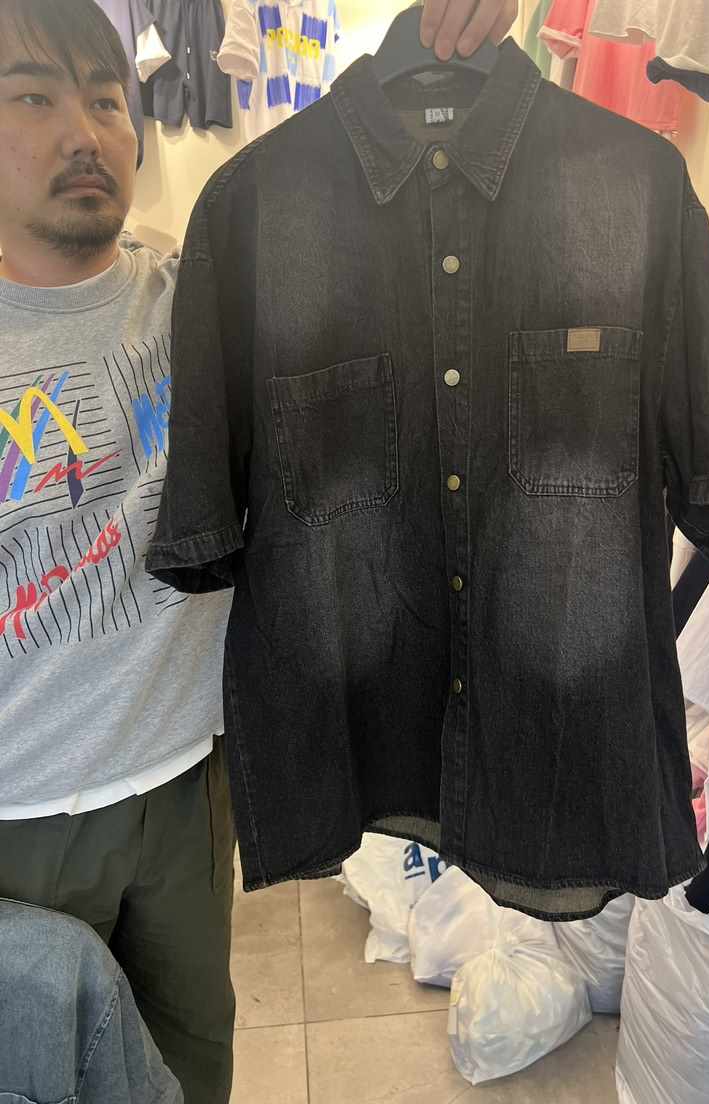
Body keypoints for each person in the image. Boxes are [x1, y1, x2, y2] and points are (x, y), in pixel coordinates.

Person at [0, 0, 518, 1100]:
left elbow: (377, 248)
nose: (83, 133)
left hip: (188, 785)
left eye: (108, 101)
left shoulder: (203, 295)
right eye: (33, 97)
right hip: (18, 812)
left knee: (193, 1069)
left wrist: (447, 41)